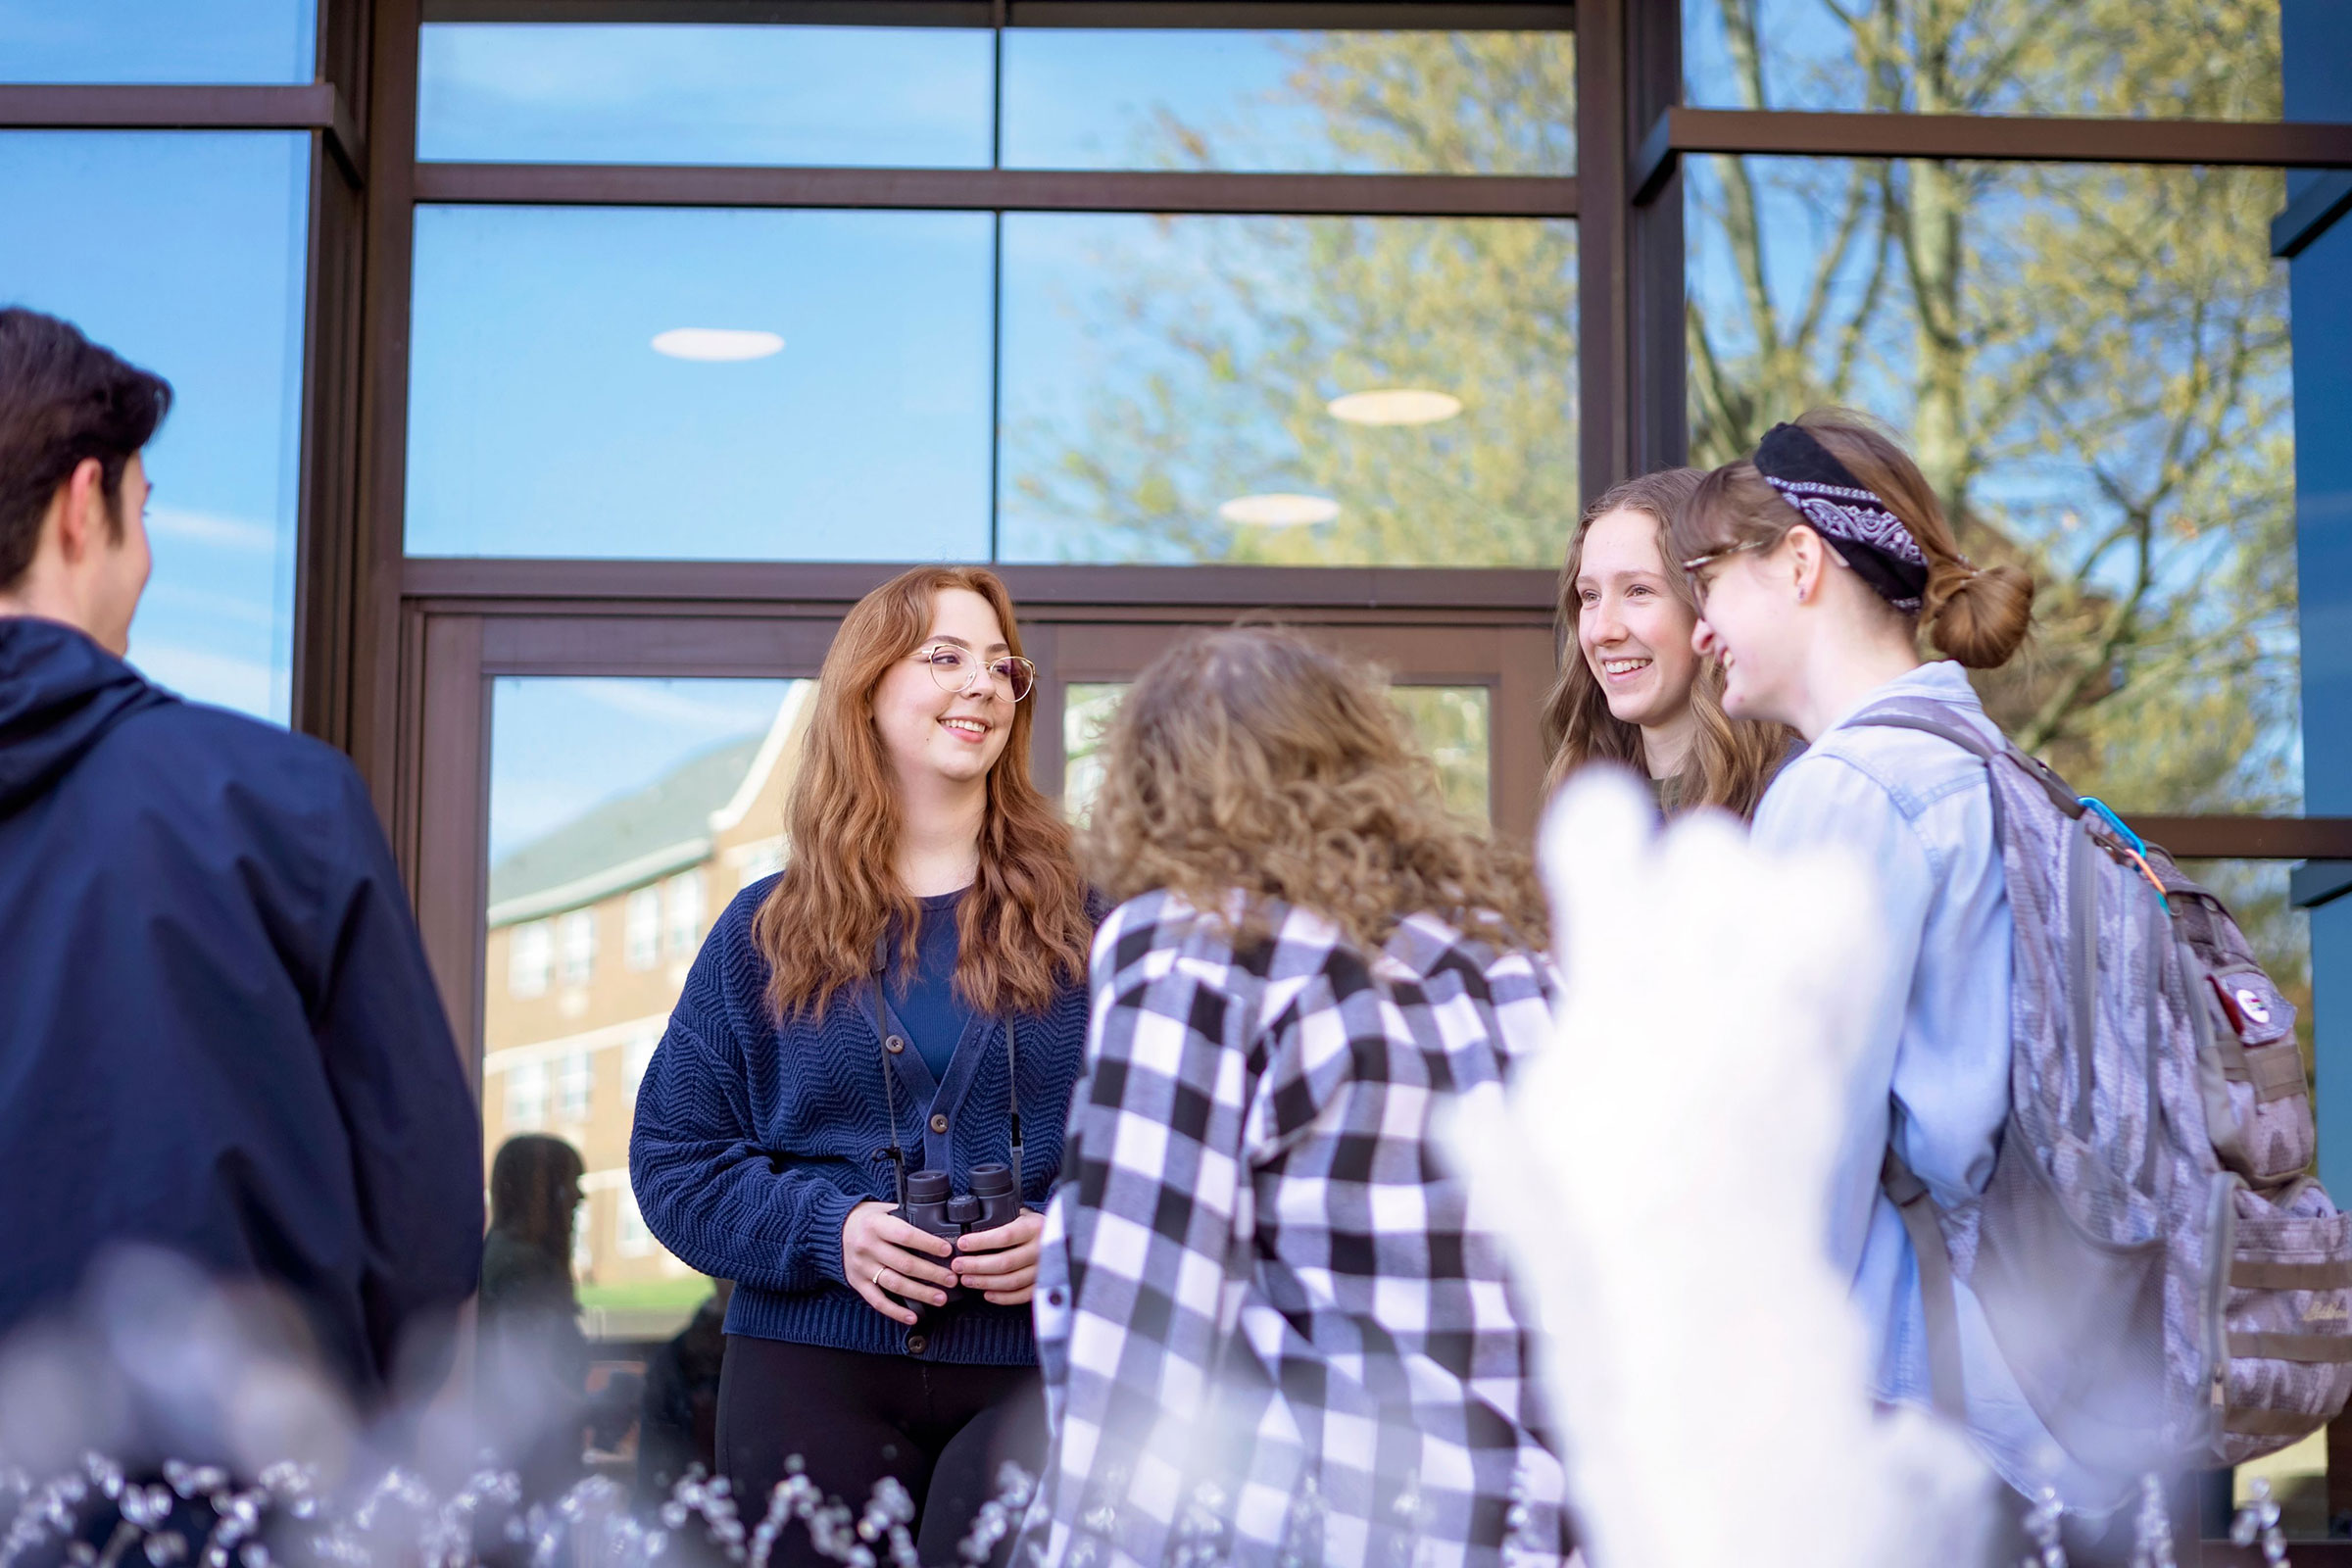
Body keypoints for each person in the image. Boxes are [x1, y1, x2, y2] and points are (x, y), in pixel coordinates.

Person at [0, 307, 481, 1405]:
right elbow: (424, 1216)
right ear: (84, 507)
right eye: (144, 511)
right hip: (217, 1492)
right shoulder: (279, 801)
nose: (150, 555)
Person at [1019, 626, 1572, 1568]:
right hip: (1520, 1516)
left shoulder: (1196, 948)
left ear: (1154, 787)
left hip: (1321, 1519)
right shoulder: (1508, 959)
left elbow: (1143, 1315)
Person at [1668, 413, 2091, 1522]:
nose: (1698, 627)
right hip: (2043, 1404)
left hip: (1909, 1407)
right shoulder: (1993, 767)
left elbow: (1800, 1157)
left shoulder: (1850, 790)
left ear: (1800, 561)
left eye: (1705, 578)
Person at [629, 566, 1093, 1564]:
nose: (984, 684)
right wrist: (829, 1230)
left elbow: (1185, 1161)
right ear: (866, 689)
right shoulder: (764, 932)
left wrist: (1075, 1235)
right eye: (945, 656)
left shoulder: (1092, 926)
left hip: (1045, 1378)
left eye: (1001, 666)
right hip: (805, 1372)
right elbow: (674, 1164)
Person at [1540, 466, 1791, 814]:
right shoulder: (1591, 812)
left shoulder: (1799, 794)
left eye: (1638, 591)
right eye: (1590, 596)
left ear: (1711, 603)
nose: (1602, 630)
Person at [477, 1135, 592, 1498]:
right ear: (543, 1193)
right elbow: (531, 1389)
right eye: (569, 1185)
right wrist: (609, 1404)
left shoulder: (500, 1257)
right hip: (532, 1473)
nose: (579, 1198)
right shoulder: (523, 1268)